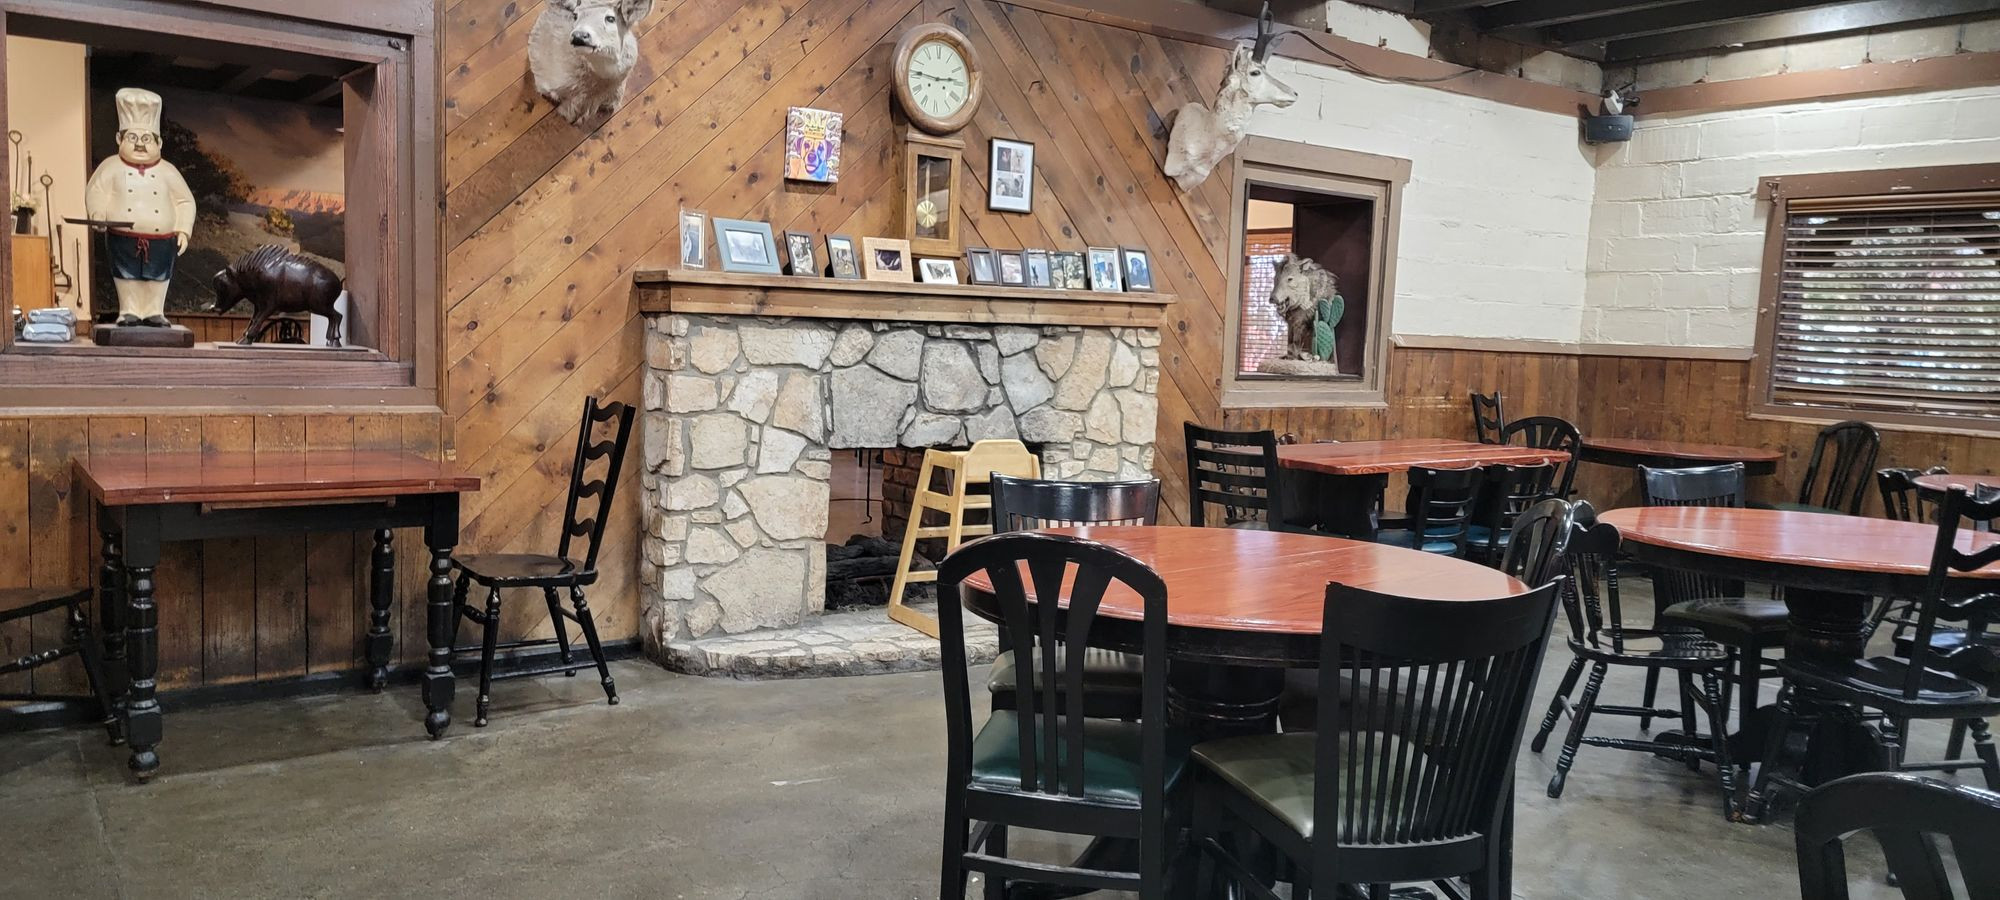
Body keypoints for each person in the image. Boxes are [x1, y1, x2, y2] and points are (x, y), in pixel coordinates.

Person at [84, 89, 197, 328]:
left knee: (158, 277)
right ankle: (129, 311)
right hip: (122, 237)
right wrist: (98, 214)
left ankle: (155, 311)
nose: (139, 145)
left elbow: (185, 201)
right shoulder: (110, 167)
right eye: (132, 138)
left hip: (161, 239)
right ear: (119, 139)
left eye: (146, 139)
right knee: (126, 277)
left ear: (159, 143)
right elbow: (96, 192)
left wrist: (183, 229)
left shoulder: (168, 171)